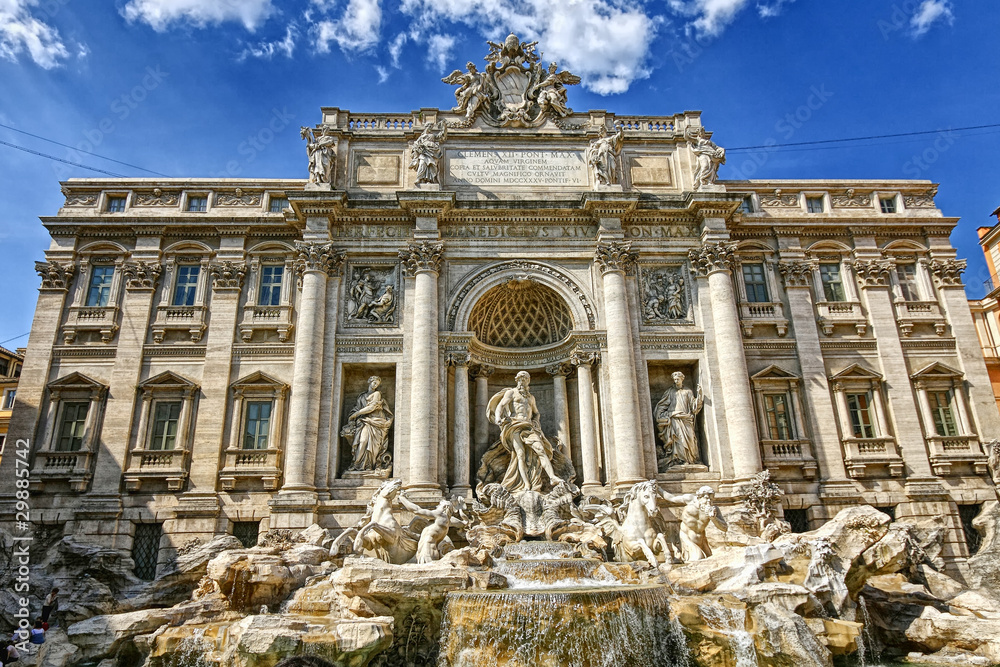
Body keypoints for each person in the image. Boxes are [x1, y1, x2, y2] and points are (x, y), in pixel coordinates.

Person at [487, 371, 564, 493]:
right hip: (514, 425)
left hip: (528, 426)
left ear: (528, 381)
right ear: (516, 380)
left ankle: (552, 477)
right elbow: (501, 406)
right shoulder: (511, 392)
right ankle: (526, 485)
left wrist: (536, 422)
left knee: (541, 450)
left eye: (525, 379)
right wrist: (497, 418)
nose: (523, 382)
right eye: (520, 379)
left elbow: (536, 413)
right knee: (520, 455)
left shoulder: (530, 397)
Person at [658, 486, 727, 562]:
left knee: (709, 560)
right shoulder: (690, 499)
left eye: (711, 499)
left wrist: (714, 519)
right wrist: (658, 489)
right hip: (686, 536)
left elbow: (724, 528)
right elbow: (671, 498)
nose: (708, 501)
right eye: (706, 498)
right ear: (699, 497)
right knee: (698, 558)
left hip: (701, 540)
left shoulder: (714, 509)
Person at [343, 376, 393, 472]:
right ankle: (357, 464)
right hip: (364, 422)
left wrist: (356, 414)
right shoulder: (362, 396)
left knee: (371, 445)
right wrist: (354, 415)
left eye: (377, 384)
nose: (375, 385)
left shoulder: (377, 394)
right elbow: (357, 408)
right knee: (362, 442)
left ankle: (368, 466)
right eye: (374, 383)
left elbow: (371, 408)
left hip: (376, 422)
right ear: (369, 382)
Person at [654, 371, 704, 467]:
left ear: (682, 379)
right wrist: (662, 415)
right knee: (678, 440)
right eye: (675, 379)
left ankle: (690, 459)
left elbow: (694, 406)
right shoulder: (670, 392)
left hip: (686, 419)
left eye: (678, 379)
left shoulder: (688, 391)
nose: (676, 381)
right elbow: (662, 405)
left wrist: (700, 396)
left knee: (690, 441)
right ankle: (679, 460)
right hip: (675, 419)